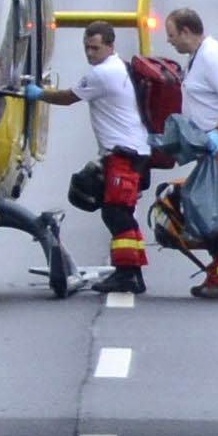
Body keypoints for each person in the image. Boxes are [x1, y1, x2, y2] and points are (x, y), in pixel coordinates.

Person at [55, 21, 154, 293]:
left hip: (124, 153)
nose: (90, 53)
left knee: (116, 213)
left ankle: (127, 274)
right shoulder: (119, 67)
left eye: (95, 48)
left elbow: (67, 97)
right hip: (133, 151)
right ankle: (132, 273)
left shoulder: (102, 73)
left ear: (110, 46)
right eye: (86, 48)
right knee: (119, 212)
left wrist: (37, 94)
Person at [164, 4, 218, 300]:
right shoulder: (196, 58)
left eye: (172, 35)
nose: (170, 41)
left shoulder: (212, 55)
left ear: (187, 31)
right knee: (210, 205)